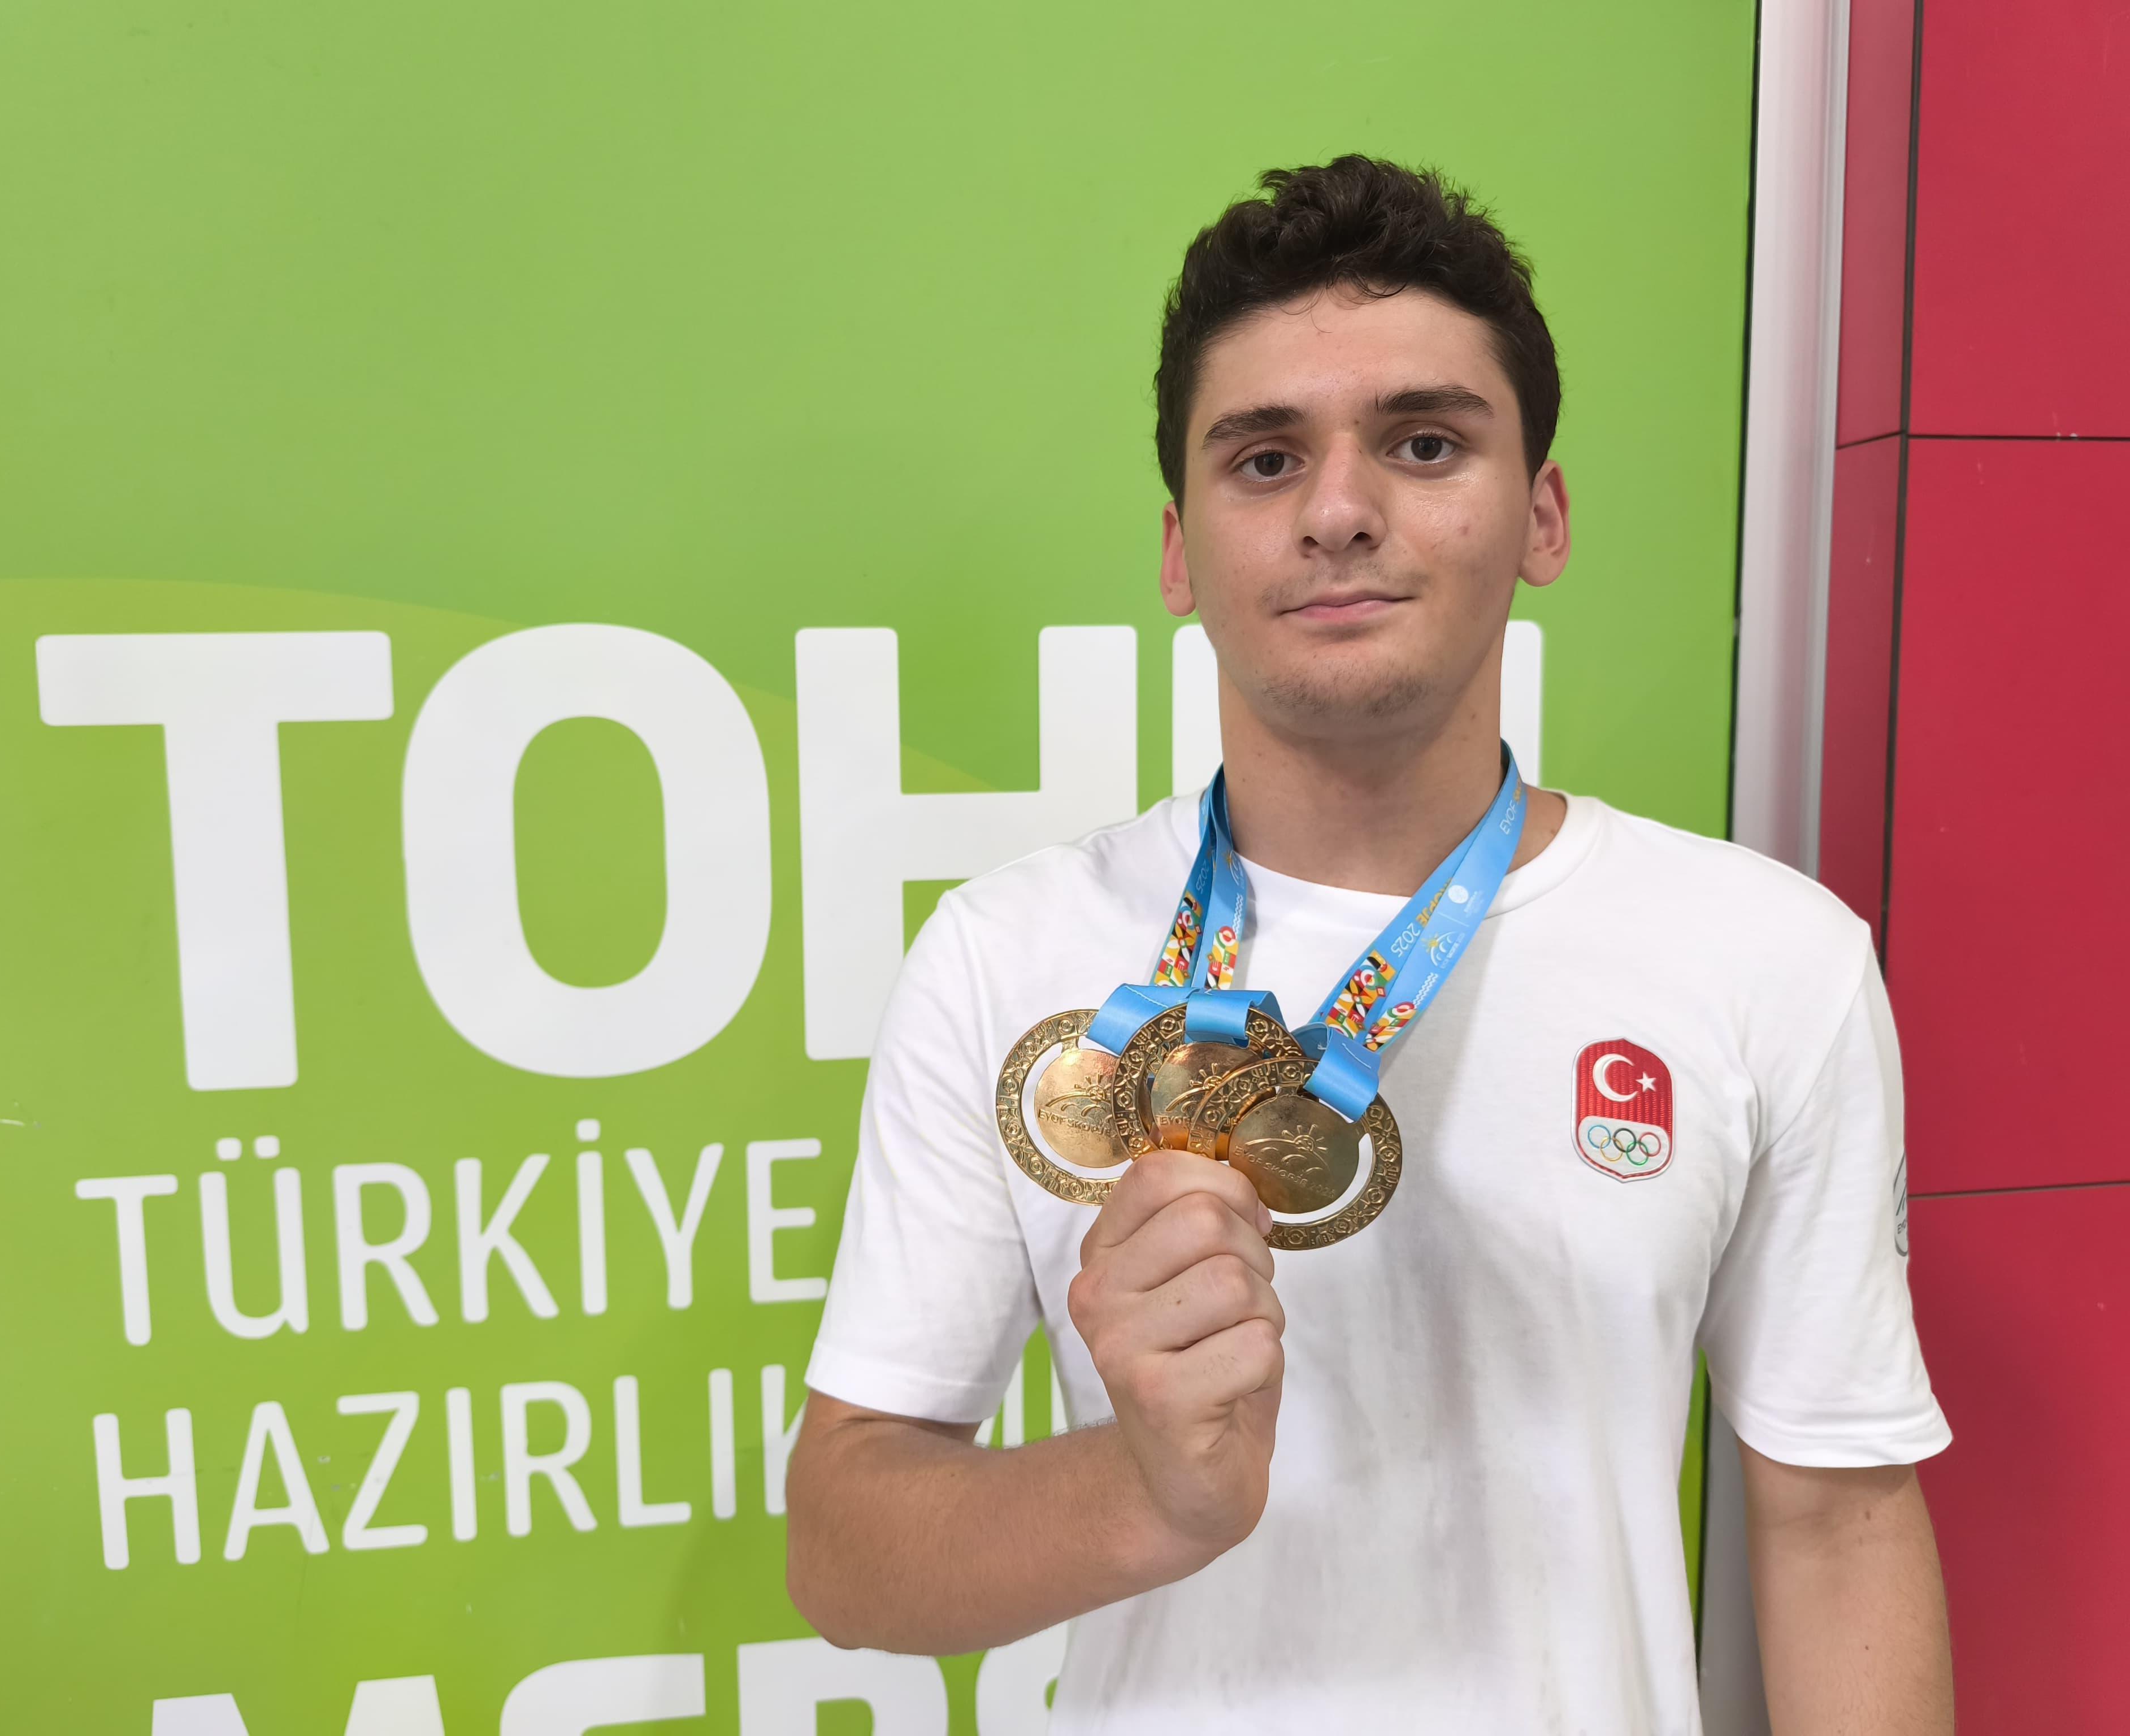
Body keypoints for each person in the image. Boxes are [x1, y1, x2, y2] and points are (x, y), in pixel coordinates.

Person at [786, 156, 1952, 1733]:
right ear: (1180, 551)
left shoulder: (1769, 959)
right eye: (1266, 459)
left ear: (1542, 515)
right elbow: (845, 1549)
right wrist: (1147, 1494)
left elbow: (1839, 1525)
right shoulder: (1006, 953)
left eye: (1423, 442)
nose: (1339, 512)